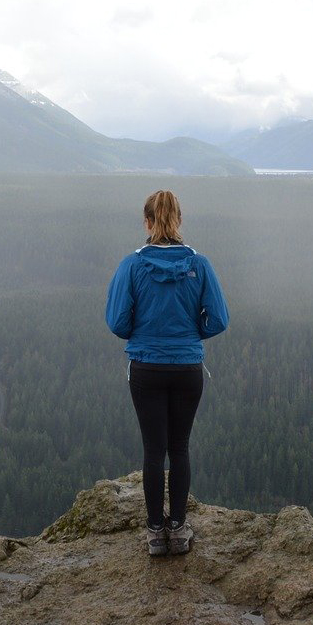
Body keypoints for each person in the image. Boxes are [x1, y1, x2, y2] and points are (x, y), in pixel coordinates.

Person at [105, 189, 229, 556]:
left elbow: (116, 321)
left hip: (146, 368)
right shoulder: (199, 264)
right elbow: (219, 319)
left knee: (153, 450)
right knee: (180, 447)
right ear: (178, 221)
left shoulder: (132, 265)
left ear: (147, 222)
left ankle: (155, 534)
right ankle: (178, 527)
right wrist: (191, 336)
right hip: (187, 367)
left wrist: (143, 336)